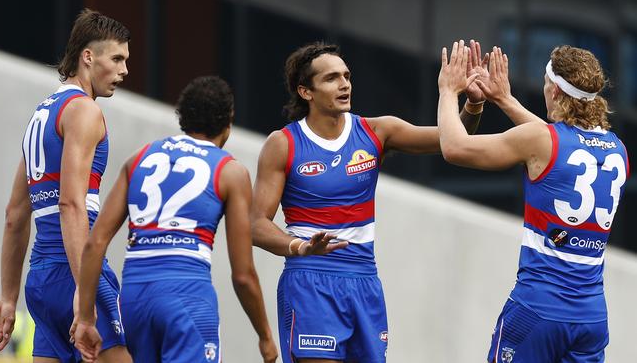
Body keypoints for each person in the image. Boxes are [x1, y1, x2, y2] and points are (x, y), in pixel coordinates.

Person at [250, 41, 500, 363]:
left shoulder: (377, 131)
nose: (344, 84)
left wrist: (473, 106)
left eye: (347, 76)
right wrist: (299, 246)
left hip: (364, 280)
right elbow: (256, 225)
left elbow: (450, 139)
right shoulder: (283, 143)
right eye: (331, 78)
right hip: (311, 279)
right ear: (305, 91)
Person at [437, 40, 629, 362]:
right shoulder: (618, 150)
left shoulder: (541, 141)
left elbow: (454, 148)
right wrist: (504, 98)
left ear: (554, 91)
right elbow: (555, 139)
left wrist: (448, 90)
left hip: (537, 310)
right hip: (591, 318)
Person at [72, 76, 279, 363]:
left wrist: (85, 318)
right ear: (228, 122)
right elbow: (243, 274)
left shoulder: (139, 158)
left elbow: (95, 244)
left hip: (135, 299)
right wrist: (265, 335)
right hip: (187, 297)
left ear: (182, 116)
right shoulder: (230, 171)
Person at [0, 9, 132, 363]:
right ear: (88, 57)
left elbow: (14, 214)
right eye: (117, 58)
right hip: (76, 271)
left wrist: (8, 297)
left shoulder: (41, 115)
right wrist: (85, 295)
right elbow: (71, 203)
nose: (124, 70)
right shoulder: (84, 111)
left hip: (41, 279)